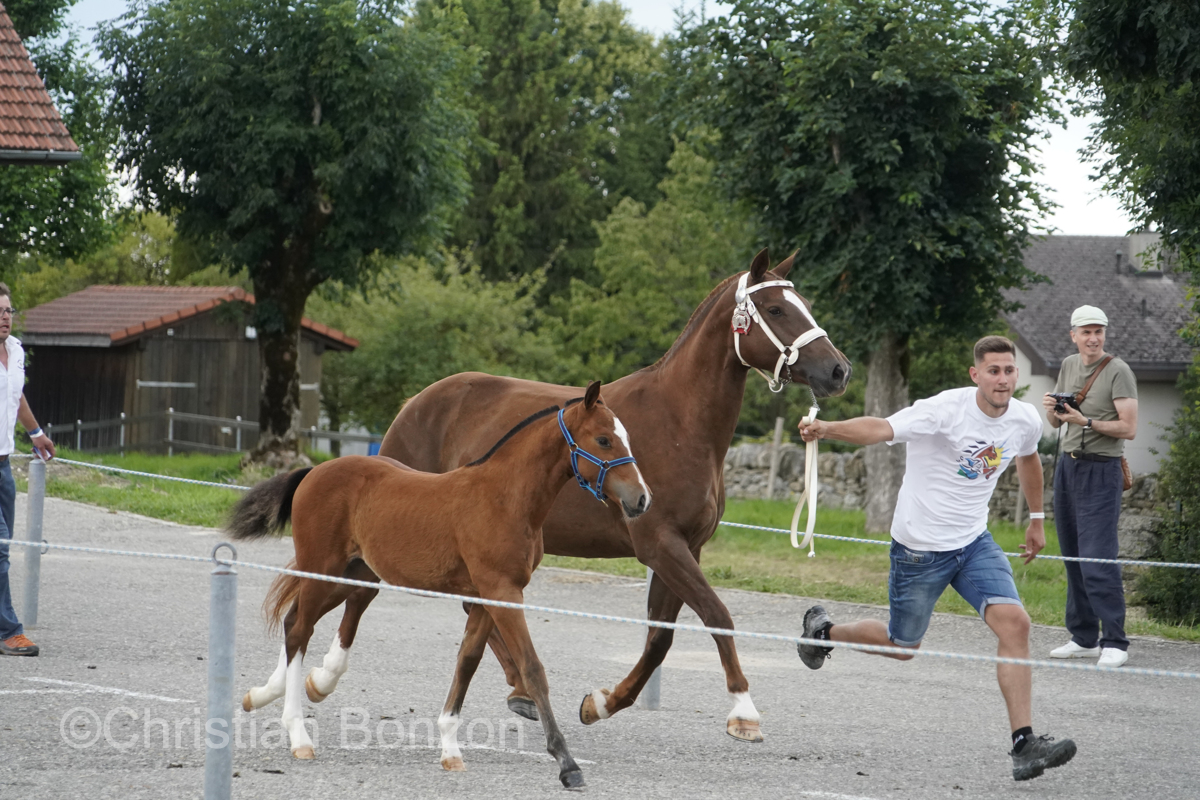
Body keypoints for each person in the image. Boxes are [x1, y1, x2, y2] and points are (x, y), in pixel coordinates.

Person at [795, 335, 1076, 782]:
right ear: (975, 374)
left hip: (974, 543)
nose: (1002, 379)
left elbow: (1028, 460)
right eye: (993, 371)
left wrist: (1037, 519)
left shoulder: (1024, 418)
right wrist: (828, 429)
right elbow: (881, 428)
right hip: (920, 549)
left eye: (1009, 371)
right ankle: (823, 632)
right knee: (904, 647)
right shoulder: (943, 410)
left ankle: (1024, 743)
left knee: (1016, 624)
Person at [1042, 305, 1137, 669]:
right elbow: (1056, 422)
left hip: (1102, 470)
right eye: (1086, 332)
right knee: (1073, 555)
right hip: (1068, 467)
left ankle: (1115, 640)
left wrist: (1087, 421)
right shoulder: (1068, 365)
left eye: (1098, 331)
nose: (1093, 338)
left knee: (1098, 559)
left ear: (1105, 333)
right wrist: (1053, 409)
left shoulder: (1118, 371)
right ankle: (1084, 637)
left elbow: (1128, 427)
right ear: (1074, 335)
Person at [0, 283, 57, 657]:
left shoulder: (16, 350)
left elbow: (15, 394)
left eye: (8, 310)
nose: (4, 317)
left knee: (3, 544)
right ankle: (10, 631)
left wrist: (35, 432)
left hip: (3, 465)